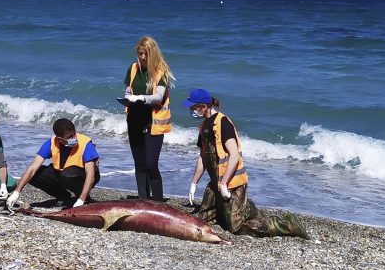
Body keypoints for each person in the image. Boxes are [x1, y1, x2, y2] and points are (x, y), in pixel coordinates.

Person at [183, 88, 309, 239]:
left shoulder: (223, 123)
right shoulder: (203, 127)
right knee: (202, 220)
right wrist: (194, 183)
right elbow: (203, 157)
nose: (191, 111)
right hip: (216, 183)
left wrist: (224, 184)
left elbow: (234, 155)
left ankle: (286, 223)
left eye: (193, 107)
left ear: (203, 106)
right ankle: (246, 209)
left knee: (235, 227)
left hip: (233, 183)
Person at [123, 35, 175, 201]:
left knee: (151, 164)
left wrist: (142, 98)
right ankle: (143, 200)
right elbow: (127, 90)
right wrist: (128, 97)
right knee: (140, 164)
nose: (142, 57)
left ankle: (158, 201)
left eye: (145, 54)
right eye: (140, 54)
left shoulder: (161, 71)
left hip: (153, 123)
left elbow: (159, 97)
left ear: (152, 53)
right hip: (134, 120)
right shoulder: (132, 69)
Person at [6, 118, 100, 209]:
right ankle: (63, 196)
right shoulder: (52, 142)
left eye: (74, 134)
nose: (74, 138)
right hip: (62, 173)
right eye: (69, 137)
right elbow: (33, 168)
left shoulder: (86, 144)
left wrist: (81, 200)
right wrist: (16, 192)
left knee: (67, 175)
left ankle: (83, 197)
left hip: (82, 176)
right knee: (35, 174)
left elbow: (90, 176)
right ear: (59, 138)